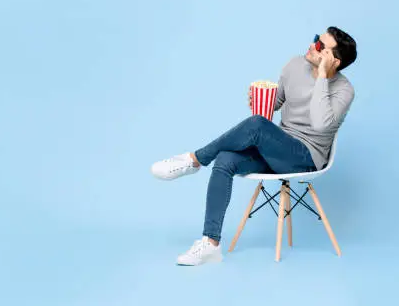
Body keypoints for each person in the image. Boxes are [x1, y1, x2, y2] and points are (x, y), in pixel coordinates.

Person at [150, 26, 357, 266]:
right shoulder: (294, 65)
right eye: (315, 40)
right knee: (226, 159)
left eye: (321, 46)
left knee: (257, 125)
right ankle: (210, 244)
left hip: (306, 156)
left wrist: (322, 77)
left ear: (335, 61)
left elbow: (321, 125)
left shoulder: (344, 90)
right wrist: (260, 99)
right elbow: (276, 104)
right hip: (277, 147)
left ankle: (194, 160)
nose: (312, 46)